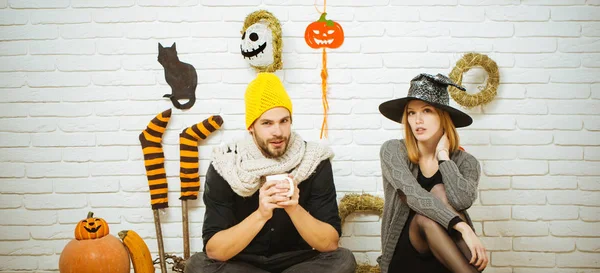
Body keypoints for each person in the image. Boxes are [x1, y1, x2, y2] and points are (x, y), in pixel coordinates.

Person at [185, 72, 357, 273]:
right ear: (251, 127)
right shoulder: (228, 164)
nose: (278, 132)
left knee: (343, 260)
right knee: (197, 265)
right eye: (267, 123)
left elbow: (329, 243)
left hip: (298, 262)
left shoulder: (314, 160)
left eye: (284, 121)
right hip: (242, 263)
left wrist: (294, 208)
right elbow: (215, 251)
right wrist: (261, 214)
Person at [377, 73, 488, 273]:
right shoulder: (393, 150)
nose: (417, 120)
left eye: (427, 111)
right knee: (424, 217)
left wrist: (444, 158)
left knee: (440, 190)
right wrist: (462, 228)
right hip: (406, 252)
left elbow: (462, 201)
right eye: (411, 113)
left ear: (442, 117)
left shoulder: (466, 162)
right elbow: (413, 195)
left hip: (448, 252)